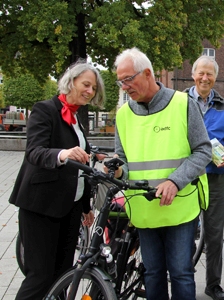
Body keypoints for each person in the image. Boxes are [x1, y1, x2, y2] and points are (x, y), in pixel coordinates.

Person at [113, 47, 211, 299]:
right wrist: (115, 170)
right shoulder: (123, 115)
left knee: (180, 272)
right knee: (153, 272)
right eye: (120, 81)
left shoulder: (182, 104)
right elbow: (122, 160)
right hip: (145, 210)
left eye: (128, 79)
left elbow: (203, 151)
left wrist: (174, 182)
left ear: (147, 73)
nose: (124, 87)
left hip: (179, 206)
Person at [8, 61, 104, 300]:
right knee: (40, 276)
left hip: (69, 210)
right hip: (41, 206)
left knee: (63, 276)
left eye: (93, 88)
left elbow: (81, 165)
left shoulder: (75, 118)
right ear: (70, 82)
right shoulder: (45, 110)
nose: (90, 91)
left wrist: (84, 207)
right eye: (86, 85)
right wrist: (63, 153)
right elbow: (34, 151)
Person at [184, 56, 224, 300]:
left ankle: (213, 284)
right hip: (188, 177)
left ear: (216, 77)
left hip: (215, 177)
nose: (205, 78)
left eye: (210, 74)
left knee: (214, 234)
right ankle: (183, 281)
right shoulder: (179, 102)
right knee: (184, 233)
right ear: (193, 74)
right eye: (201, 73)